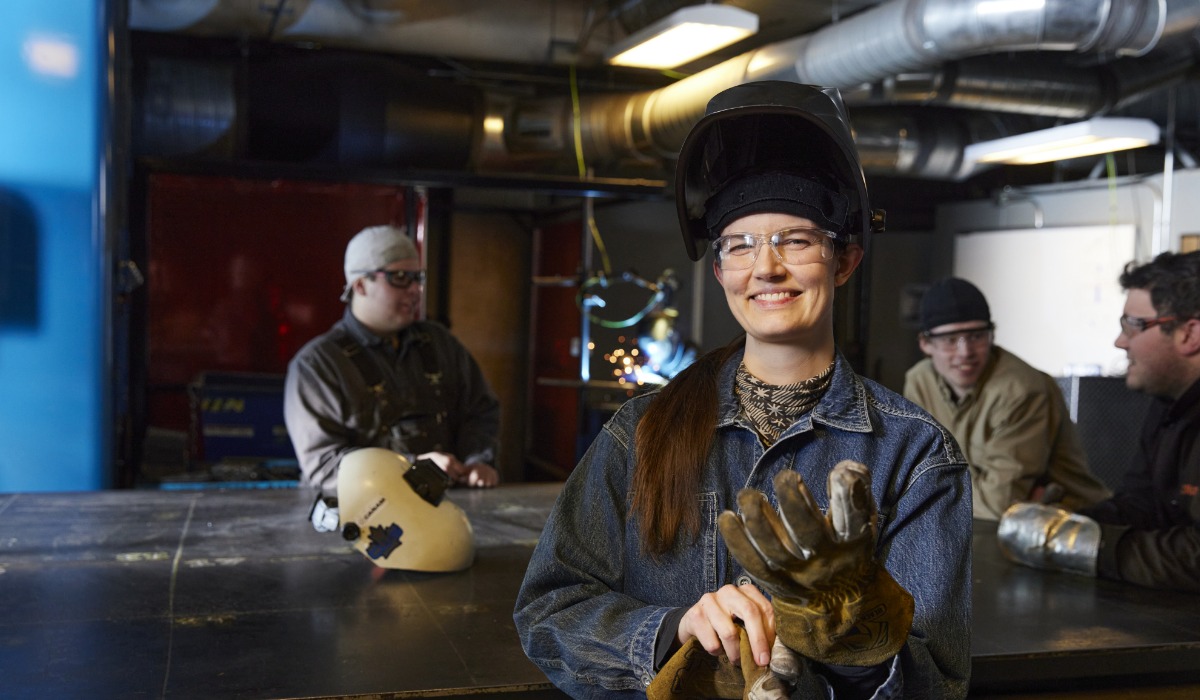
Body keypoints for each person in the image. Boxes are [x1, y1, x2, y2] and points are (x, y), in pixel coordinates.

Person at [514, 82, 972, 699]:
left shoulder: (916, 456)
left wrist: (857, 635)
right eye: (741, 245)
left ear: (844, 261)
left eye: (795, 240)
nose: (766, 267)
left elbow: (936, 683)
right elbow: (549, 610)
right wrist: (673, 629)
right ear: (721, 268)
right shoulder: (640, 431)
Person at [998, 250, 1200, 592]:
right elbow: (1142, 504)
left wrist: (1085, 545)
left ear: (1189, 334)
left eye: (1134, 325)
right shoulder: (1168, 405)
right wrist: (1065, 525)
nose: (1120, 341)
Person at [283, 224, 501, 494]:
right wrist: (408, 469)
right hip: (359, 519)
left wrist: (478, 461)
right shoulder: (318, 366)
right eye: (399, 277)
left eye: (417, 278)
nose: (415, 290)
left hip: (444, 511)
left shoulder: (440, 344)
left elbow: (480, 411)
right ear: (361, 285)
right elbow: (323, 465)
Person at [903, 278, 1111, 520]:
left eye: (976, 336)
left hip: (1067, 523)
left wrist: (928, 495)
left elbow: (999, 503)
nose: (965, 352)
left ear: (992, 336)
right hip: (978, 522)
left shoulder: (1020, 389)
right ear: (926, 344)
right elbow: (911, 474)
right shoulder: (919, 381)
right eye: (950, 340)